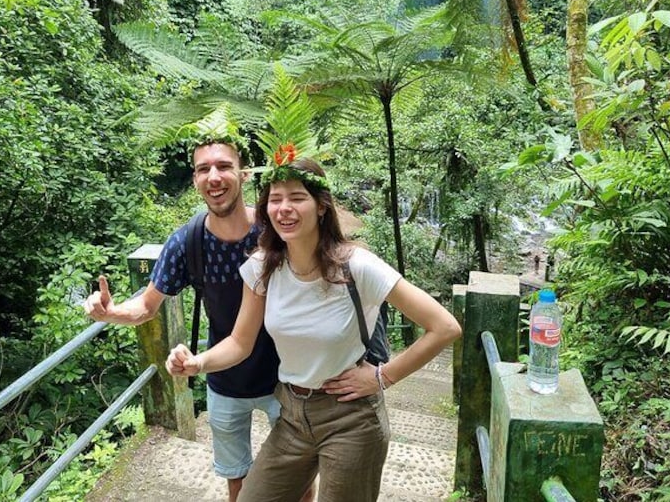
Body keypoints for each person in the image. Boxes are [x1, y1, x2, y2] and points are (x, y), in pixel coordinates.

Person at [166, 157, 462, 501]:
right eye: (275, 199)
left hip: (350, 417)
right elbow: (239, 342)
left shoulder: (357, 265)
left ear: (321, 206)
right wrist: (197, 363)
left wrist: (384, 376)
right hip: (291, 414)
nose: (284, 209)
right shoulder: (262, 267)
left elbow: (444, 327)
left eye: (297, 198)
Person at [84, 140, 314, 502]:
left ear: (243, 173)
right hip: (224, 376)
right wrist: (110, 312)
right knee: (237, 479)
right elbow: (146, 305)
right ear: (194, 179)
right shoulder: (186, 243)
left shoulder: (276, 230)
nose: (214, 176)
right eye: (203, 169)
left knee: (299, 478)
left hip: (289, 378)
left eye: (223, 166)